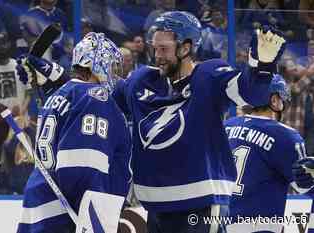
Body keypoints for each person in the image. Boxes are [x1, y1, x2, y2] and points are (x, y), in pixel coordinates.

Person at [18, 11, 286, 233]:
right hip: (156, 209)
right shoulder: (141, 81)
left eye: (164, 49)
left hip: (201, 205)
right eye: (154, 48)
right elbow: (95, 92)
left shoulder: (209, 75)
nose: (156, 55)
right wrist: (53, 76)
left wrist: (261, 68)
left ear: (186, 47)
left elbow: (250, 92)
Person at [16, 32, 132, 233]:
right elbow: (82, 165)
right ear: (96, 64)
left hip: (39, 205)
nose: (114, 74)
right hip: (66, 217)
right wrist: (93, 221)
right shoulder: (95, 97)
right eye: (111, 66)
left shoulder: (60, 95)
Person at [224, 74, 312, 233]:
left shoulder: (226, 126)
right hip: (260, 227)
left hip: (218, 223)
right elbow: (305, 186)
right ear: (274, 100)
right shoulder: (286, 135)